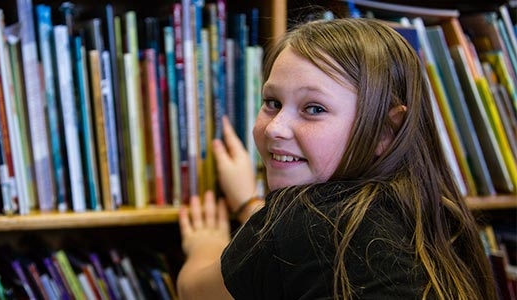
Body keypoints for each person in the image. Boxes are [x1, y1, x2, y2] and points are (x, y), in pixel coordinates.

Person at [177, 18, 498, 300]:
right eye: (272, 102)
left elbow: (194, 291)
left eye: (314, 109)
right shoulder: (435, 218)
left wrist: (206, 244)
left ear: (384, 131)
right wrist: (249, 204)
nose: (275, 128)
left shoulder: (309, 220)